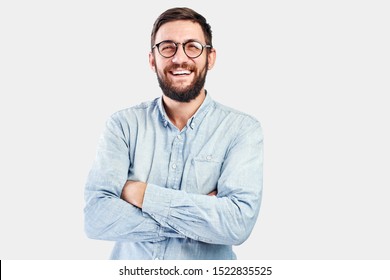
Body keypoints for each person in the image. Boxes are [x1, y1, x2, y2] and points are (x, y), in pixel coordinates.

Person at [84, 7, 264, 260]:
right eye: (167, 47)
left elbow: (236, 225)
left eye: (192, 46)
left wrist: (140, 193)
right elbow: (96, 218)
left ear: (210, 58)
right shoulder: (122, 125)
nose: (180, 58)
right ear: (152, 59)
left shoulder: (241, 129)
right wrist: (202, 218)